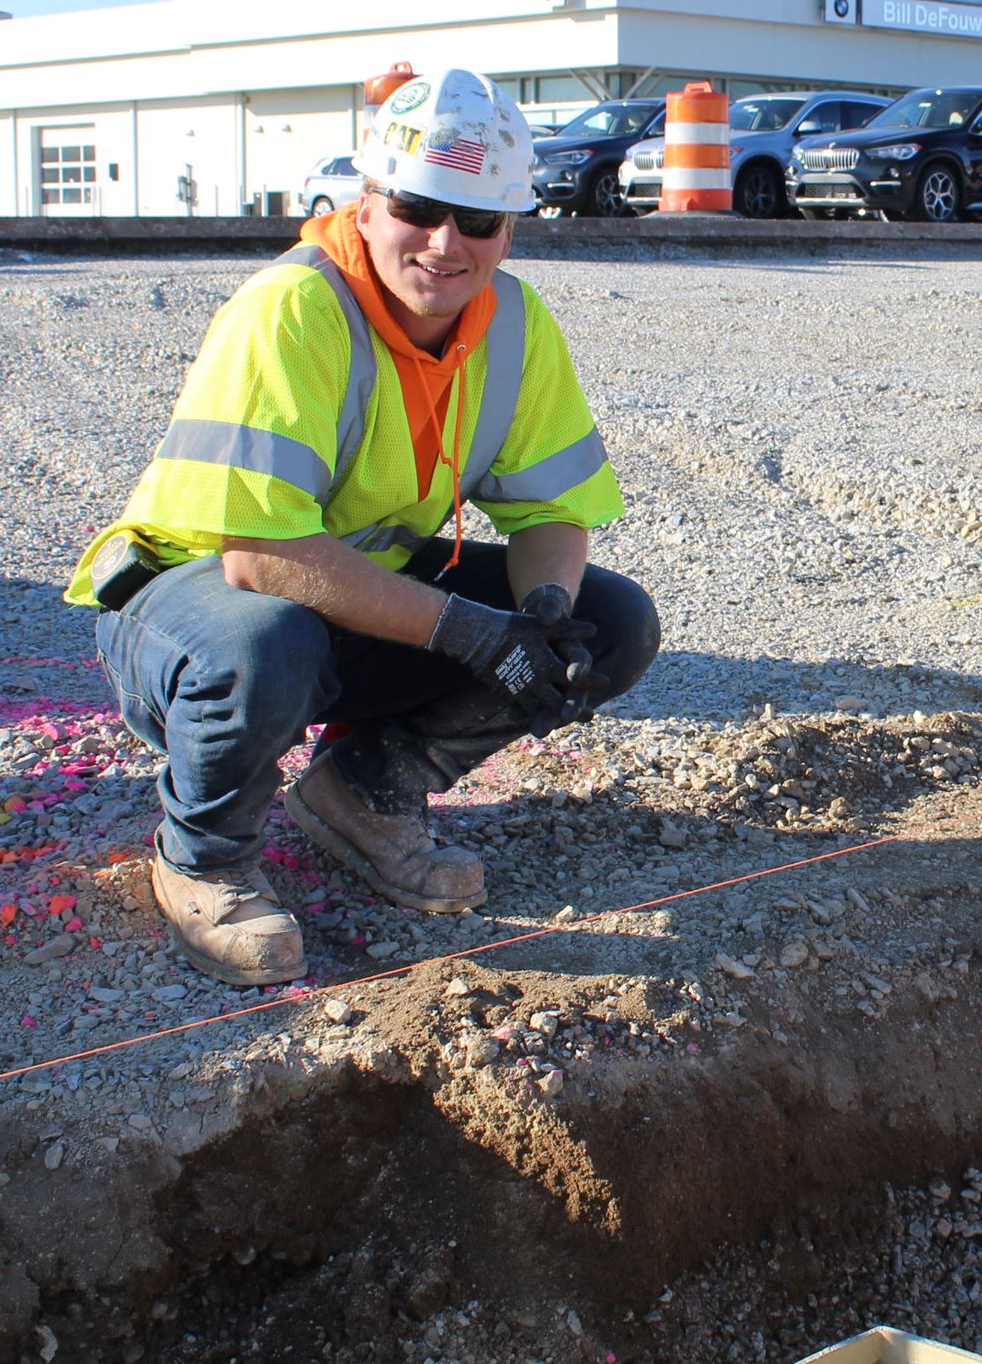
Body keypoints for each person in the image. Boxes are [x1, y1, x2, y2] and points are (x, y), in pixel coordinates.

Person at [67, 67, 659, 986]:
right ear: (369, 199)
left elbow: (553, 508)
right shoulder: (294, 310)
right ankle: (204, 860)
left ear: (510, 228)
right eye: (419, 207)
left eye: (477, 219)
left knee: (612, 621)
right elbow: (261, 554)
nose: (444, 241)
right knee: (266, 643)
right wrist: (471, 632)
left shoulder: (514, 325)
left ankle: (365, 792)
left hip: (349, 590)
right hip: (194, 599)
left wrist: (540, 614)